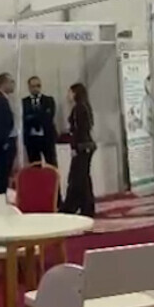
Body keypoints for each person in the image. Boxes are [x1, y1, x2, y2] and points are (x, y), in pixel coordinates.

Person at [62, 83, 96, 217]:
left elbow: (79, 130)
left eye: (70, 92)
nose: (68, 95)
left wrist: (75, 147)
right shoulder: (85, 106)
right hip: (87, 145)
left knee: (78, 178)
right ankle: (86, 206)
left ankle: (74, 206)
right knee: (83, 177)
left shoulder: (78, 109)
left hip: (82, 146)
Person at [22, 76, 58, 166]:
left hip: (47, 137)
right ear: (29, 87)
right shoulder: (24, 102)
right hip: (31, 139)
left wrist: (32, 117)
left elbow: (49, 117)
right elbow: (24, 119)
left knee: (51, 164)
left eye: (38, 86)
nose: (36, 89)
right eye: (33, 86)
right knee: (34, 165)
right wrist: (40, 115)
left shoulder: (49, 100)